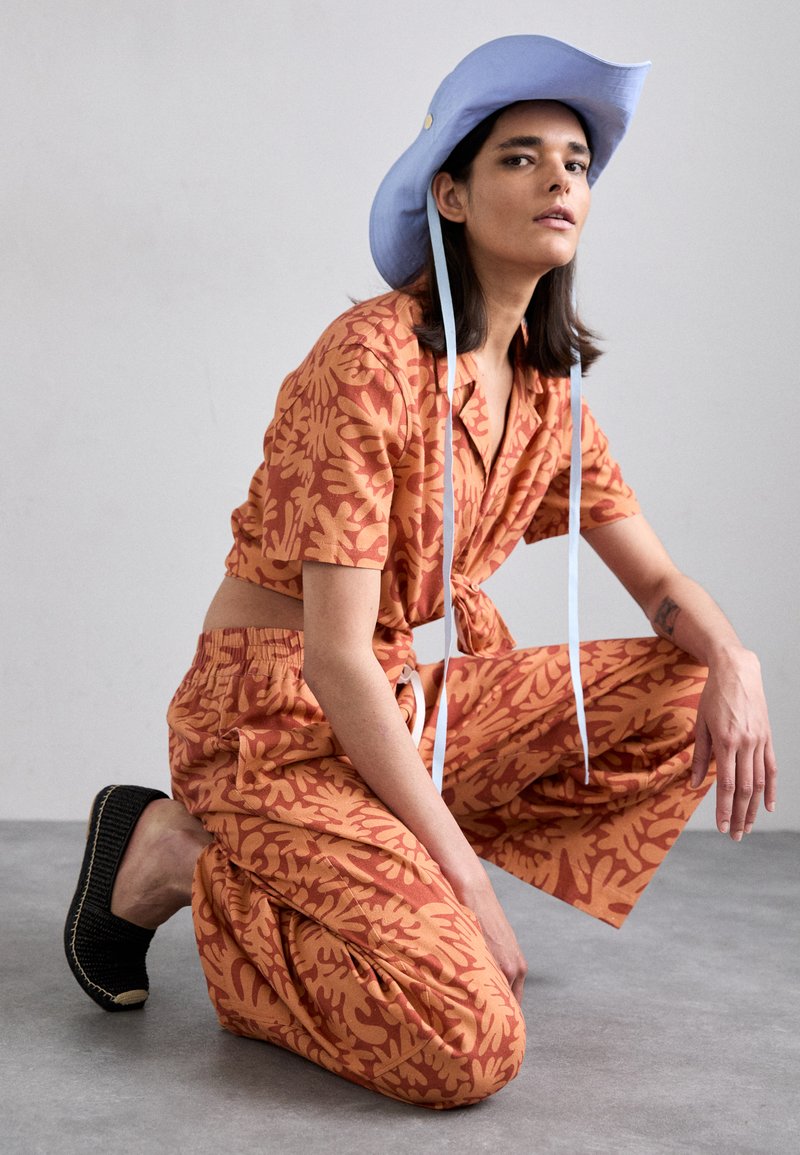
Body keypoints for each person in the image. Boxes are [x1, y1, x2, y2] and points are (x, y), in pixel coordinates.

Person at [64, 35, 777, 1110]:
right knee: (465, 1047)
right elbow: (334, 656)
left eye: (576, 163)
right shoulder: (370, 358)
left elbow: (661, 588)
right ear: (450, 195)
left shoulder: (549, 393)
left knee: (686, 686)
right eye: (519, 157)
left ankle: (368, 865)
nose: (558, 180)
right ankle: (184, 857)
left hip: (398, 701)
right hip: (272, 716)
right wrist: (460, 877)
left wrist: (735, 655)